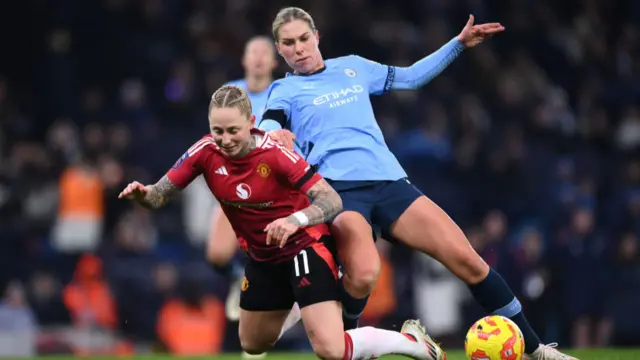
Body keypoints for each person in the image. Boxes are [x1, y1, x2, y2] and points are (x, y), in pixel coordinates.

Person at [222, 6, 573, 360]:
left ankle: (537, 350)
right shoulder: (284, 89)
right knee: (363, 274)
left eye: (303, 39)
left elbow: (410, 77)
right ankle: (348, 342)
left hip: (391, 183)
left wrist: (458, 44)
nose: (298, 48)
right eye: (288, 43)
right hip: (339, 193)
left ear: (316, 37)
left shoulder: (354, 66)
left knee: (469, 261)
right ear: (279, 50)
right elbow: (267, 124)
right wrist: (273, 135)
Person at [119, 85, 446, 360]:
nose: (226, 139)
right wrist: (143, 194)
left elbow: (331, 200)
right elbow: (160, 194)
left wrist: (295, 219)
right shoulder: (205, 151)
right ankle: (300, 303)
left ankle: (411, 343)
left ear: (251, 123)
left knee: (330, 350)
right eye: (218, 130)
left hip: (304, 247)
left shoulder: (275, 154)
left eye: (233, 130)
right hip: (262, 258)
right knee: (253, 343)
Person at [205, 35, 280, 326]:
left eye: (265, 52)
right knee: (217, 255)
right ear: (244, 59)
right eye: (253, 52)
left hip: (274, 190)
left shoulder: (283, 93)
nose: (259, 57)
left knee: (277, 261)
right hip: (235, 186)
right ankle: (240, 278)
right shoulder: (229, 94)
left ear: (274, 61)